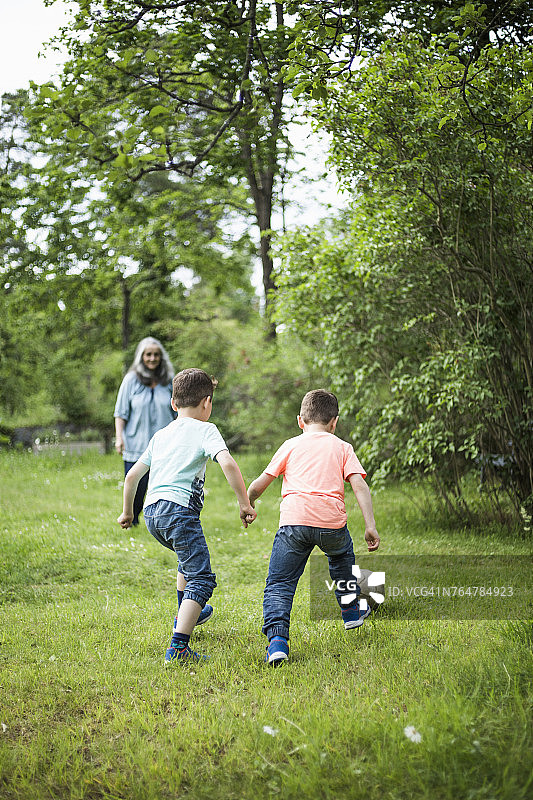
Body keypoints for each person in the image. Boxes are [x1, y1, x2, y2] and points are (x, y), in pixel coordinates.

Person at [117, 368, 257, 664]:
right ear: (207, 402)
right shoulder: (206, 430)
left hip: (153, 512)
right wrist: (244, 503)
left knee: (186, 559)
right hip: (179, 512)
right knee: (202, 578)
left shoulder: (161, 434)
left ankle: (186, 613)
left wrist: (128, 512)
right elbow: (228, 464)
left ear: (173, 404)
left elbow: (132, 477)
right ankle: (178, 647)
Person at [247, 389, 380, 666]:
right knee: (342, 559)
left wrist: (248, 503)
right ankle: (351, 613)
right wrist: (370, 526)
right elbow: (359, 485)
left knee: (280, 584)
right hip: (332, 524)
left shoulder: (290, 445)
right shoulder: (343, 447)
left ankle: (277, 643)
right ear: (334, 422)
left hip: (294, 523)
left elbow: (260, 483)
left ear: (300, 421)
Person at [114, 337, 176, 526]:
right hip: (136, 444)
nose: (152, 358)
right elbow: (120, 412)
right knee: (137, 486)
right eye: (148, 354)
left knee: (164, 485)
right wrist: (119, 437)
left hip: (165, 445)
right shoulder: (131, 380)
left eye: (156, 355)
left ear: (161, 357)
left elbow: (178, 412)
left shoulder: (169, 380)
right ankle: (132, 518)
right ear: (141, 357)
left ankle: (161, 521)